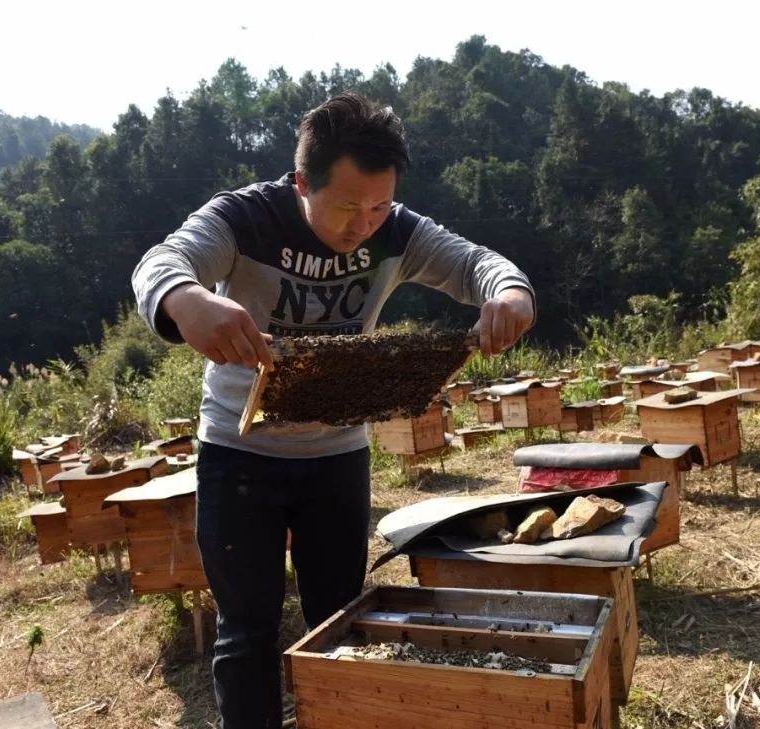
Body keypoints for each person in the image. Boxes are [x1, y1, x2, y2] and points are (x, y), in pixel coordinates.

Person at [132, 92, 535, 729]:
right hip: (239, 457)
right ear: (302, 183)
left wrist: (510, 293)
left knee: (340, 621)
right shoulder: (244, 219)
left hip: (336, 460)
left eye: (378, 206)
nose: (363, 224)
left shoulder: (398, 230)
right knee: (247, 632)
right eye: (347, 206)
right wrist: (185, 298)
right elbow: (161, 262)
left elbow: (479, 264)